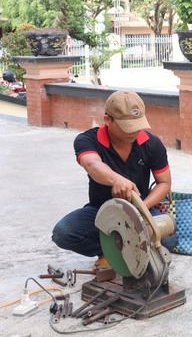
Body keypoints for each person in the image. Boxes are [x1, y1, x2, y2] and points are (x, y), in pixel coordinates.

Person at [51, 90, 177, 268]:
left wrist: (141, 209)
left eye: (137, 125)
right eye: (127, 126)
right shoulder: (88, 140)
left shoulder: (152, 143)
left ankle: (131, 251)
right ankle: (109, 252)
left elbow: (164, 183)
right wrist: (116, 180)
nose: (134, 132)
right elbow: (92, 165)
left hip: (143, 209)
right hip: (102, 210)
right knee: (63, 233)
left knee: (169, 240)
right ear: (108, 120)